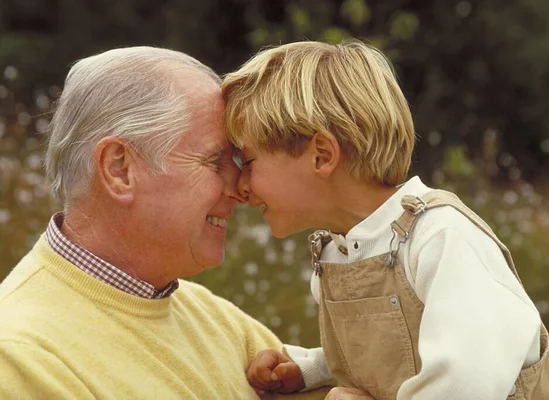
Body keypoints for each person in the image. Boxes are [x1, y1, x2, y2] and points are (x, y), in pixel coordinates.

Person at [221, 40, 549, 399]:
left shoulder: (441, 240)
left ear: (321, 156)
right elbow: (389, 354)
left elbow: (463, 385)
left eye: (248, 161)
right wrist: (311, 369)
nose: (240, 186)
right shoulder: (339, 255)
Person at [0, 46, 328, 399]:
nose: (241, 188)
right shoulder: (20, 358)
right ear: (119, 169)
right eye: (216, 160)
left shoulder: (220, 322)